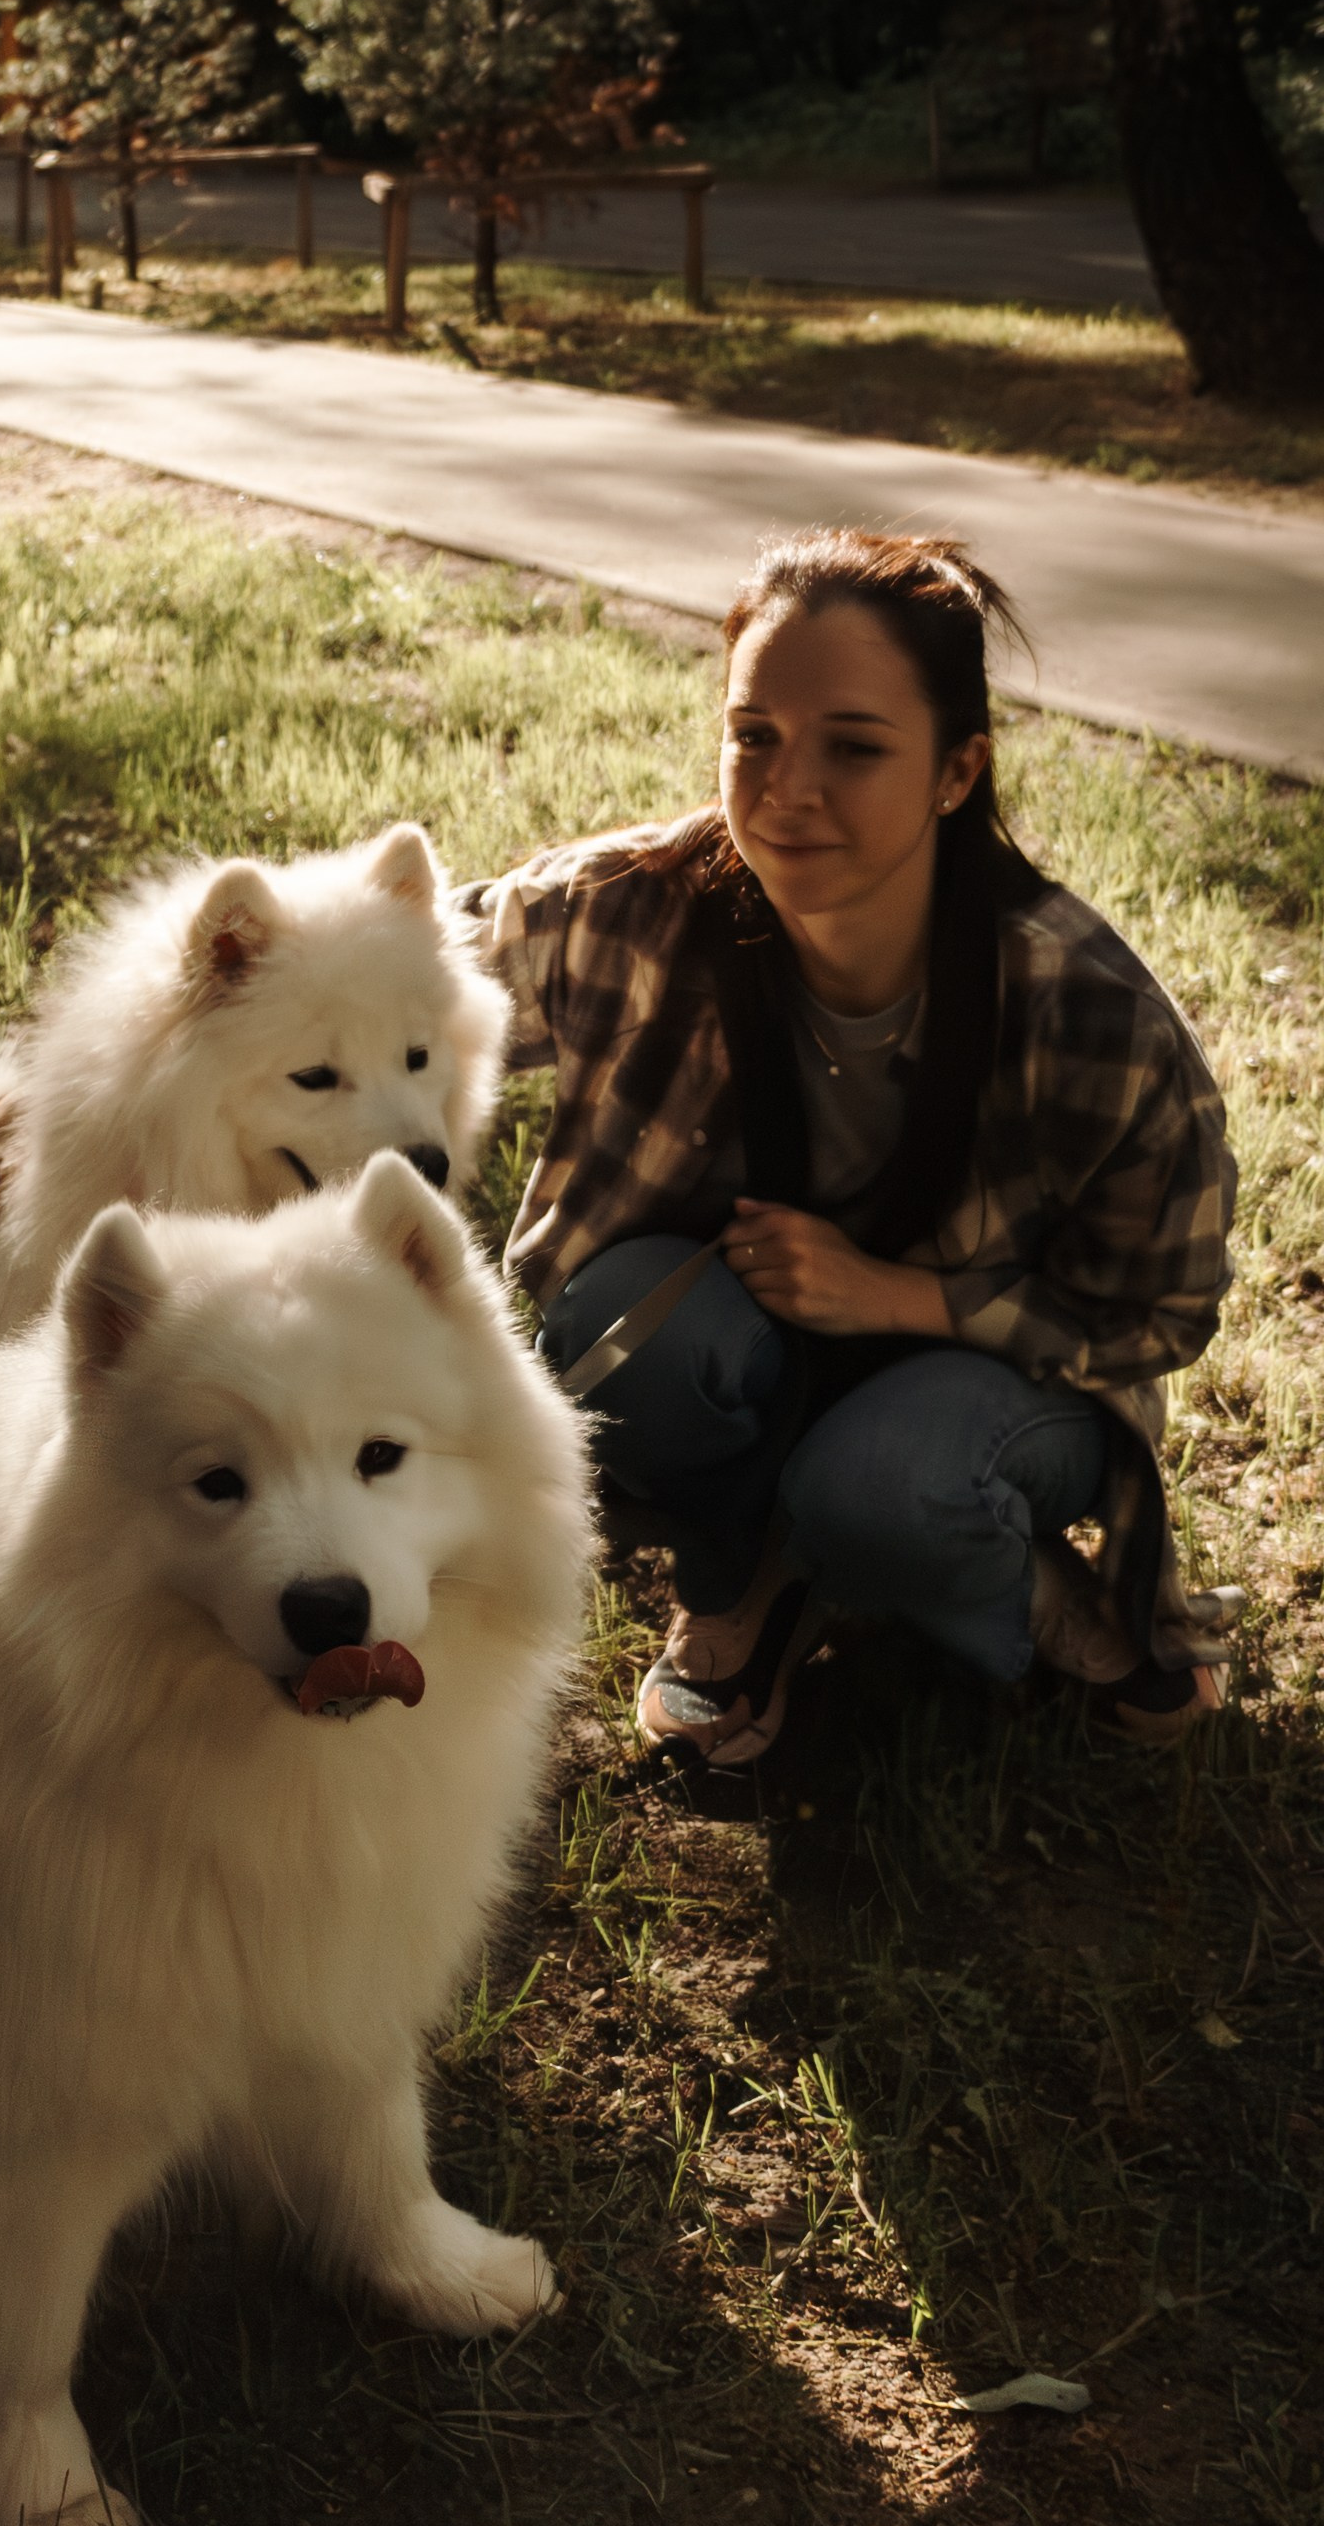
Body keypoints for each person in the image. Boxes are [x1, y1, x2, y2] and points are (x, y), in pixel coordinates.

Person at [459, 526, 1238, 1763]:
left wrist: (897, 1296)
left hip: (1000, 1386)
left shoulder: (1090, 1014)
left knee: (882, 1494)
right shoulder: (632, 906)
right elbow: (377, 973)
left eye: (855, 748)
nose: (785, 789)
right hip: (745, 1338)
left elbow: (1159, 1311)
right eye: (751, 735)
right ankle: (743, 1583)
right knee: (610, 1348)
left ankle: (1028, 1594)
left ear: (955, 770)